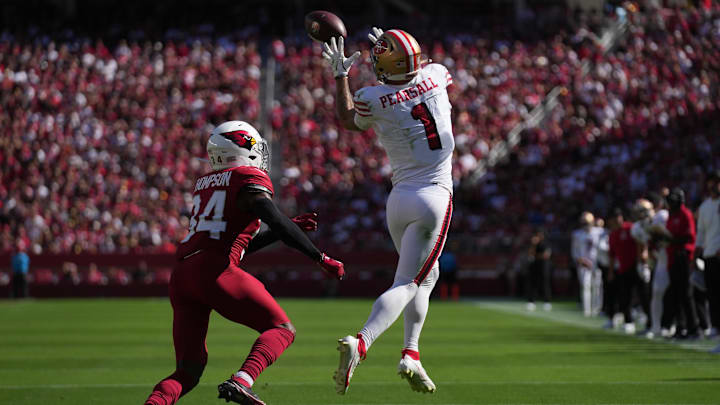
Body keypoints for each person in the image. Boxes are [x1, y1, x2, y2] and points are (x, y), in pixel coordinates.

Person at [143, 121, 345, 405]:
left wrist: (283, 229)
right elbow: (271, 214)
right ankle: (242, 380)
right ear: (239, 148)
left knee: (188, 371)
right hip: (215, 270)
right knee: (281, 330)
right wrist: (319, 257)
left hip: (183, 276)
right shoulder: (245, 177)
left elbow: (238, 245)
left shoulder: (204, 184)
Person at [321, 27, 455, 394]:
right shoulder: (437, 74)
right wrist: (396, 50)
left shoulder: (372, 98)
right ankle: (361, 342)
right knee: (408, 283)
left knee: (426, 277)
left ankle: (411, 354)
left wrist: (340, 75)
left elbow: (348, 119)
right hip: (434, 197)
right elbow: (424, 78)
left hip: (399, 200)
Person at [664, 188, 699, 339]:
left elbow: (690, 236)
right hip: (672, 257)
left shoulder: (685, 214)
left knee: (686, 294)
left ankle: (694, 328)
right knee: (676, 294)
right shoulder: (671, 216)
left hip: (683, 257)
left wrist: (673, 240)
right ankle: (681, 327)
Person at [696, 170, 720, 337]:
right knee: (712, 293)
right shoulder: (705, 206)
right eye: (713, 182)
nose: (715, 185)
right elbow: (701, 233)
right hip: (709, 254)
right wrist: (697, 253)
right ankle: (716, 327)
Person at [608, 209, 640, 334]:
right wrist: (610, 271)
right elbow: (612, 255)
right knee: (625, 296)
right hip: (623, 268)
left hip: (636, 265)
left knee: (643, 294)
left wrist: (640, 262)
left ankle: (649, 320)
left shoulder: (631, 228)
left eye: (618, 217)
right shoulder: (613, 234)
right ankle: (629, 321)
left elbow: (640, 244)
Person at [571, 212, 603, 317]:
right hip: (583, 263)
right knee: (585, 286)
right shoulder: (577, 234)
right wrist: (581, 261)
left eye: (587, 222)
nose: (586, 224)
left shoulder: (599, 232)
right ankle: (586, 309)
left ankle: (596, 308)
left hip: (596, 262)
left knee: (597, 286)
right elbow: (574, 251)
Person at [526, 229, 552, 311]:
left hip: (544, 265)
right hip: (535, 265)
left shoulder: (546, 243)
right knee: (534, 283)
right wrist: (533, 245)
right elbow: (530, 253)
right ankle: (532, 301)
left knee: (545, 283)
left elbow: (546, 255)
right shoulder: (534, 244)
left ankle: (547, 302)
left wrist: (537, 256)